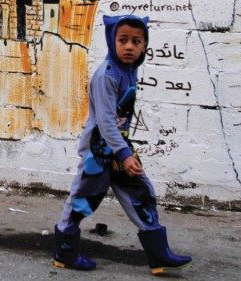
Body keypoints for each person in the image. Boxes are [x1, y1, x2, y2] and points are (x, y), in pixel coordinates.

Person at [52, 14, 192, 276]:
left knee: (141, 191)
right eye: (123, 40)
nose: (129, 46)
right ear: (111, 41)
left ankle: (158, 254)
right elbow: (105, 122)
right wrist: (124, 154)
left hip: (118, 147)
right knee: (84, 198)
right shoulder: (106, 76)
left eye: (136, 41)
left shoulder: (129, 70)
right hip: (99, 150)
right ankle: (65, 251)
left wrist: (124, 151)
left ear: (144, 46)